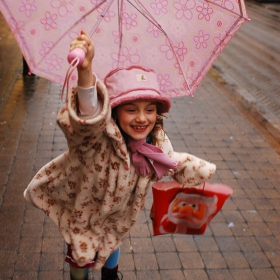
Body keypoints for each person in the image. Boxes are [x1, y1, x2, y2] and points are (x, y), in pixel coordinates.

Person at [23, 31, 216, 280]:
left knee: (112, 247)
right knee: (81, 258)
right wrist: (85, 71)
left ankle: (111, 275)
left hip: (118, 216)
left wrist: (197, 172)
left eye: (150, 110)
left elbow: (172, 162)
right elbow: (87, 117)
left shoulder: (154, 144)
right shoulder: (96, 141)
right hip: (85, 213)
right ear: (113, 111)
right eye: (131, 109)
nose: (141, 118)